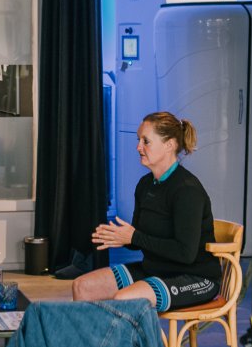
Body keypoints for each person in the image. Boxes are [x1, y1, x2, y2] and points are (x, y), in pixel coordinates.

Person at [72, 111, 221, 312]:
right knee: (82, 286)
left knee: (125, 299)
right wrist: (122, 237)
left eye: (146, 141)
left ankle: (132, 335)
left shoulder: (187, 189)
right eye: (138, 140)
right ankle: (93, 335)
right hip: (156, 270)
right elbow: (140, 239)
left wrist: (134, 237)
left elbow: (185, 253)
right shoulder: (145, 185)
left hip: (195, 277)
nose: (138, 147)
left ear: (169, 145)